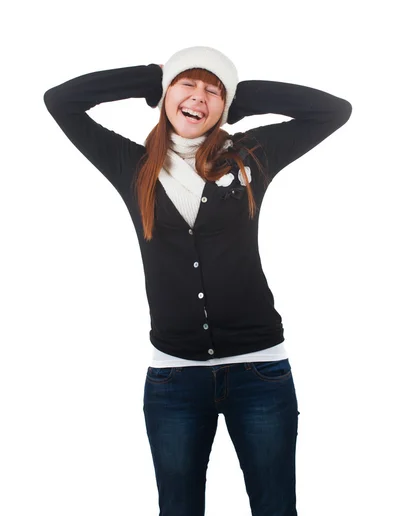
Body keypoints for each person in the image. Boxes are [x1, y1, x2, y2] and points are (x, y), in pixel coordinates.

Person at [43, 46, 352, 516]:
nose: (198, 96)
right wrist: (150, 79)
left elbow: (334, 111)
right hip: (174, 377)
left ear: (223, 106)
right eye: (186, 84)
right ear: (167, 95)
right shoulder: (133, 165)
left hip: (260, 371)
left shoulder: (247, 155)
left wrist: (241, 96)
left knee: (276, 507)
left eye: (212, 91)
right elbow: (60, 101)